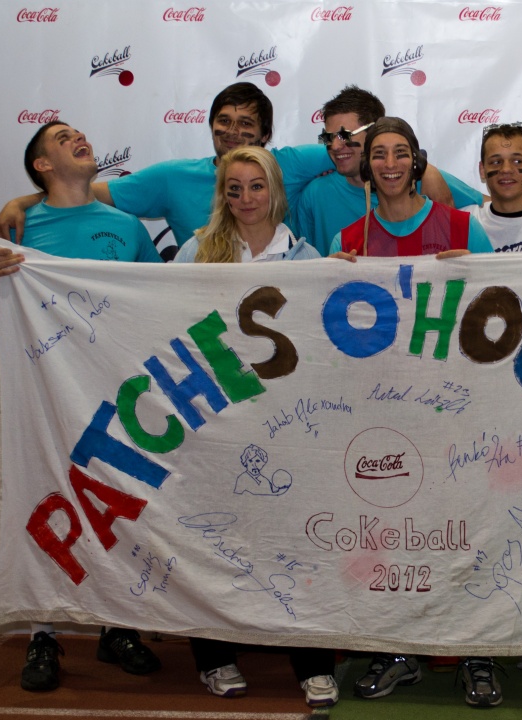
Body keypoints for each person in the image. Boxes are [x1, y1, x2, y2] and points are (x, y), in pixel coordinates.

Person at [0, 121, 164, 691]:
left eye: (79, 132)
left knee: (115, 502)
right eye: (62, 137)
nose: (79, 138)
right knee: (43, 500)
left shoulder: (127, 226)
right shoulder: (17, 228)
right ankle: (43, 634)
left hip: (114, 394)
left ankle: (117, 627)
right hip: (44, 395)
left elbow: (159, 302)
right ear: (42, 165)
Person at [328, 116, 495, 706]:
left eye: (401, 153)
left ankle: (478, 653)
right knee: (394, 533)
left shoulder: (462, 227)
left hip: (457, 411)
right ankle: (397, 649)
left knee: (468, 530)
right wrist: (331, 282)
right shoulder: (350, 239)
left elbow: (507, 305)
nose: (390, 164)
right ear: (366, 165)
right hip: (384, 416)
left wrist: (479, 273)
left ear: (417, 160)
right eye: (379, 154)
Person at [174, 145, 338, 708]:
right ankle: (215, 658)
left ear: (276, 191)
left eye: (256, 186)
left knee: (299, 538)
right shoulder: (196, 251)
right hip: (214, 422)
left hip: (287, 421)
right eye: (234, 188)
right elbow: (160, 319)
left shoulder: (307, 257)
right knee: (212, 538)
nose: (245, 198)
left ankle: (313, 663)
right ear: (222, 195)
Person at [0, 82, 333, 257]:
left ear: (266, 135)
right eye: (224, 120)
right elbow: (79, 190)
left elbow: (351, 151)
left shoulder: (291, 164)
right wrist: (21, 202)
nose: (232, 131)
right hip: (207, 306)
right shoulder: (172, 178)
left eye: (245, 123)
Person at [296, 85, 482, 255]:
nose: (336, 146)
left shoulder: (418, 176)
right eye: (329, 138)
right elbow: (309, 262)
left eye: (345, 135)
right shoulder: (314, 195)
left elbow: (489, 207)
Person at [463, 121, 522, 252]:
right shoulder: (465, 222)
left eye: (517, 161)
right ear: (482, 170)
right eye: (496, 162)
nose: (506, 169)